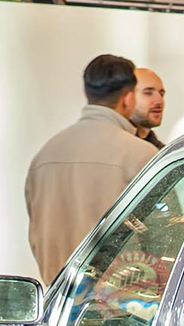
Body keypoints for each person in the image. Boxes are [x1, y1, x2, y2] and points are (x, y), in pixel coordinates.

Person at [26, 54, 156, 283]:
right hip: (125, 300)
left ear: (86, 93)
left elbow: (36, 237)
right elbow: (164, 238)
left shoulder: (44, 156)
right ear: (128, 99)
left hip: (59, 297)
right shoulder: (140, 155)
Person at [129, 67, 167, 149]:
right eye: (148, 93)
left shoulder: (162, 152)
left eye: (161, 94)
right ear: (127, 97)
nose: (159, 101)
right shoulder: (113, 145)